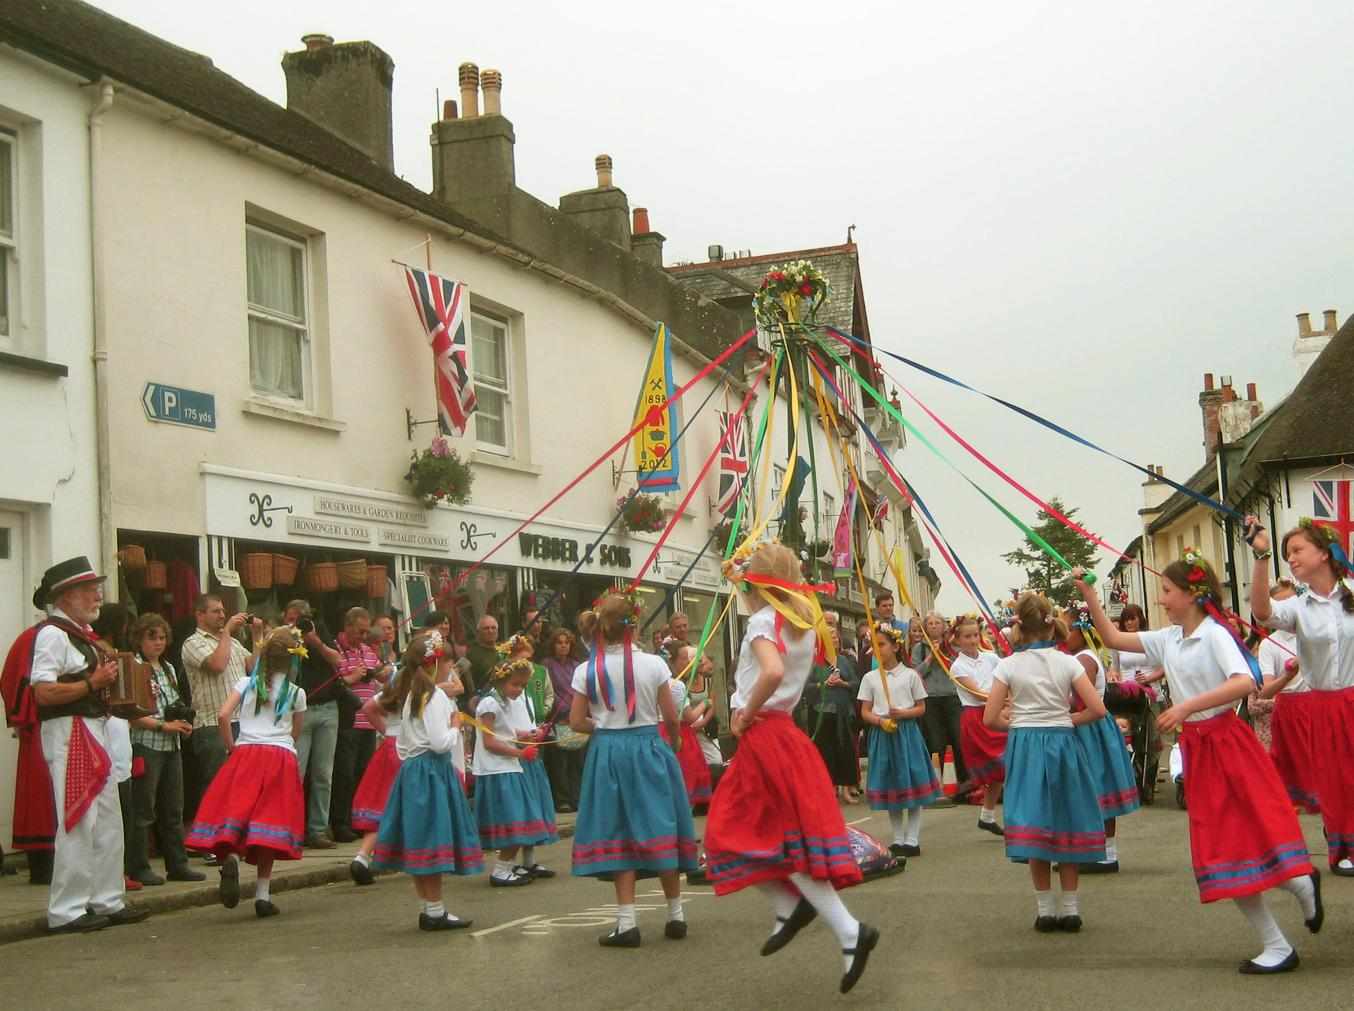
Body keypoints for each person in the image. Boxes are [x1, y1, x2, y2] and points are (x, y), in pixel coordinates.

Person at [1078, 556, 1321, 974]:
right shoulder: (1170, 638)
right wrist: (1090, 597)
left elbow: (1246, 681)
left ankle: (1293, 901)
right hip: (1198, 748)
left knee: (1242, 839)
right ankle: (1287, 915)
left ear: (1191, 594)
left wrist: (1186, 705)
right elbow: (1113, 638)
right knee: (1222, 849)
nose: (1162, 599)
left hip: (1226, 742)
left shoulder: (1214, 635)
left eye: (1168, 592)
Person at [704, 543, 878, 994]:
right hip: (785, 734)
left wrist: (743, 713)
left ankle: (827, 921)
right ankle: (807, 915)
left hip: (764, 733)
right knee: (766, 834)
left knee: (733, 832)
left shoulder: (764, 621)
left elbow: (772, 672)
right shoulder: (804, 622)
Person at [24, 557, 150, 932]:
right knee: (79, 820)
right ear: (66, 596)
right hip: (71, 730)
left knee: (108, 818)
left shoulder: (80, 636)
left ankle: (106, 899)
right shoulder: (52, 635)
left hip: (92, 728)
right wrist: (92, 684)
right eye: (89, 589)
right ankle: (66, 910)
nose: (98, 595)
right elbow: (43, 692)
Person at [569, 592, 698, 947]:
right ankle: (676, 915)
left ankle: (627, 923)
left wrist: (604, 726)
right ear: (635, 625)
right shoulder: (655, 665)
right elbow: (671, 716)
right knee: (661, 824)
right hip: (650, 747)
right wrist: (674, 742)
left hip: (608, 752)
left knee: (618, 830)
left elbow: (576, 721)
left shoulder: (586, 669)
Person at [983, 593, 1106, 934]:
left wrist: (1020, 721)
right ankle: (1071, 909)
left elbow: (990, 718)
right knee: (1066, 820)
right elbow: (1097, 709)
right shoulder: (1069, 662)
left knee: (1034, 820)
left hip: (1026, 748)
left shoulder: (1006, 665)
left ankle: (1045, 911)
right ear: (1051, 625)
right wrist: (1065, 720)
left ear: (1018, 626)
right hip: (1063, 744)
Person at [1247, 516, 1354, 875]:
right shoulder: (1299, 607)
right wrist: (1261, 558)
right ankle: (1343, 847)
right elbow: (1262, 612)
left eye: (1297, 550)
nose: (1290, 558)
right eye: (1286, 553)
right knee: (1338, 780)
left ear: (1324, 553)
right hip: (1324, 704)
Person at [186, 627, 308, 918]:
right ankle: (263, 895)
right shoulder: (296, 693)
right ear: (293, 662)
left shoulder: (246, 683)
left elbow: (223, 715)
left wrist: (232, 746)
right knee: (268, 824)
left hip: (247, 753)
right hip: (280, 757)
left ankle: (230, 856)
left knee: (237, 812)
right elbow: (295, 733)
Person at [372, 630, 482, 929]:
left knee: (421, 837)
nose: (451, 668)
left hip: (414, 771)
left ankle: (428, 907)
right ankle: (434, 911)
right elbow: (438, 742)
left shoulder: (413, 696)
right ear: (437, 664)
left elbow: (403, 745)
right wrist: (456, 726)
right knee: (432, 837)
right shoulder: (434, 698)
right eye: (447, 662)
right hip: (432, 771)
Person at [125, 613, 203, 886]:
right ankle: (137, 866)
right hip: (147, 744)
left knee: (173, 809)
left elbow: (176, 703)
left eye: (161, 637)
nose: (158, 643)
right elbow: (132, 714)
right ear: (139, 638)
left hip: (172, 745)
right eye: (151, 637)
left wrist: (183, 723)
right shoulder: (134, 667)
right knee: (144, 809)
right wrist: (163, 726)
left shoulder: (169, 668)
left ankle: (177, 864)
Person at [1063, 604, 1139, 874]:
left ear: (1081, 631)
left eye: (1067, 627)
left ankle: (1105, 854)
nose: (1062, 633)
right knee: (1093, 788)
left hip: (1088, 728)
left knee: (1096, 787)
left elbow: (1078, 701)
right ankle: (1096, 851)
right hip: (1088, 726)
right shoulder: (1082, 656)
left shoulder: (1083, 660)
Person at [181, 595, 265, 836]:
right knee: (214, 785)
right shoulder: (193, 642)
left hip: (241, 722)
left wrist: (257, 636)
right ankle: (209, 839)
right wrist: (228, 631)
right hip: (210, 724)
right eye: (216, 611)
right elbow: (217, 665)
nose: (222, 615)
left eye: (223, 611)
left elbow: (254, 668)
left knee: (238, 785)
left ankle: (230, 837)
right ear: (199, 614)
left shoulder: (233, 643)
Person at [473, 658, 559, 887]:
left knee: (522, 817)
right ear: (501, 680)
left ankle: (511, 866)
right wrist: (520, 753)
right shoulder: (489, 704)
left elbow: (507, 731)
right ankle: (501, 870)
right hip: (498, 768)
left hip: (510, 765)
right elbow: (489, 742)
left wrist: (526, 734)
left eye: (523, 685)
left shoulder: (505, 701)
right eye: (516, 685)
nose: (519, 690)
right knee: (515, 819)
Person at [858, 623, 939, 858]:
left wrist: (903, 714)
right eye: (873, 645)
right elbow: (865, 711)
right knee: (892, 787)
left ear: (895, 646)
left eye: (881, 644)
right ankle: (898, 838)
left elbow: (921, 707)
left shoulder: (910, 675)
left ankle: (912, 839)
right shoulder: (870, 678)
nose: (877, 649)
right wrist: (879, 720)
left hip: (907, 735)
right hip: (883, 734)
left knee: (911, 784)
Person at [281, 599, 343, 850]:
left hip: (327, 708)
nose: (296, 623)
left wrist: (315, 641)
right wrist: (290, 639)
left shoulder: (319, 631)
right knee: (297, 771)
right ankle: (290, 829)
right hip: (298, 711)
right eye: (292, 618)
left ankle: (317, 829)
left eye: (300, 619)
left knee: (323, 774)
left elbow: (337, 660)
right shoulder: (279, 638)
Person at [1254, 580, 1318, 812]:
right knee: (1295, 767)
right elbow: (1266, 691)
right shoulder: (1269, 644)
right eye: (1279, 605)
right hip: (1289, 709)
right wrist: (1287, 675)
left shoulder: (1314, 634)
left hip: (1318, 705)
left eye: (1292, 603)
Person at [331, 607, 389, 844]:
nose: (364, 637)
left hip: (369, 722)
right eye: (360, 631)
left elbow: (382, 677)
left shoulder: (368, 651)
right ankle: (340, 822)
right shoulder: (335, 650)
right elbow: (334, 683)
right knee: (343, 773)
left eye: (367, 632)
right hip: (348, 720)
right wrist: (352, 677)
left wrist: (382, 671)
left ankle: (358, 820)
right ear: (348, 626)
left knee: (362, 774)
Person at [502, 643, 560, 878]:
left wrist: (536, 730)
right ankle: (508, 864)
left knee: (536, 805)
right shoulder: (503, 697)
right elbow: (503, 728)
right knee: (523, 810)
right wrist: (524, 735)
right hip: (517, 756)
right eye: (519, 661)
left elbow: (527, 719)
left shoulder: (523, 693)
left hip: (531, 753)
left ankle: (529, 860)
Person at [950, 614, 1006, 836]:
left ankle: (987, 816)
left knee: (1003, 768)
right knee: (1003, 765)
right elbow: (978, 693)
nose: (972, 640)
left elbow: (1008, 676)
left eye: (975, 635)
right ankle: (1013, 818)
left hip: (996, 711)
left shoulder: (991, 658)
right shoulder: (957, 667)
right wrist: (1005, 700)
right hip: (978, 718)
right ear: (957, 639)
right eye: (967, 636)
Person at [349, 668, 404, 886]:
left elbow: (368, 707)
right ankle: (426, 856)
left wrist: (386, 730)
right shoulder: (420, 690)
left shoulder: (394, 688)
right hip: (409, 749)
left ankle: (362, 856)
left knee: (383, 803)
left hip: (390, 746)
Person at [911, 610, 969, 796]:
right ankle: (940, 780)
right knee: (936, 740)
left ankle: (964, 779)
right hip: (931, 698)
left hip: (952, 696)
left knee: (958, 737)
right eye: (930, 623)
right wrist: (931, 657)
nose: (934, 626)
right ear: (925, 627)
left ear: (944, 627)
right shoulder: (919, 649)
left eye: (937, 623)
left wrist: (944, 652)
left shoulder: (954, 648)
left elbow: (958, 669)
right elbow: (916, 673)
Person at [810, 613, 862, 803]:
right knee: (826, 752)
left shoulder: (845, 661)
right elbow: (807, 687)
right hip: (822, 713)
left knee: (846, 751)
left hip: (843, 712)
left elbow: (856, 683)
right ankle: (829, 788)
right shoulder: (815, 662)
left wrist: (843, 684)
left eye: (836, 638)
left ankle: (847, 788)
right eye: (830, 638)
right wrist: (822, 684)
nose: (834, 641)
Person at [662, 645, 715, 810]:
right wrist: (705, 703)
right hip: (680, 733)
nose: (689, 662)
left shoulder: (665, 683)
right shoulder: (677, 686)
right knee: (686, 776)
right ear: (673, 661)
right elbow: (690, 717)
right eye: (685, 658)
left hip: (661, 732)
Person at [543, 628, 586, 813]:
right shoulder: (547, 665)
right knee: (559, 763)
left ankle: (578, 797)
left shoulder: (576, 665)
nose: (563, 646)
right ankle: (562, 800)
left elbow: (581, 691)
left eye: (566, 642)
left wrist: (576, 712)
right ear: (553, 645)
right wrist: (564, 713)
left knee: (577, 761)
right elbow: (549, 692)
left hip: (576, 718)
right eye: (559, 642)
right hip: (557, 719)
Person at [465, 613, 501, 697]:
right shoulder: (471, 654)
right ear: (478, 632)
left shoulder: (504, 650)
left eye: (493, 628)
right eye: (486, 628)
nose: (490, 631)